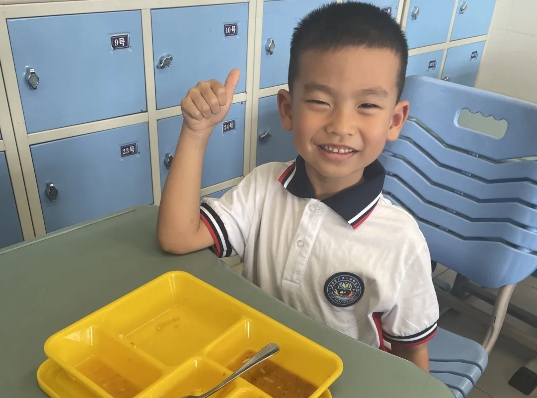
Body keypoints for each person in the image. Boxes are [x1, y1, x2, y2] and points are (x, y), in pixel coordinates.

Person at [157, 1, 439, 372]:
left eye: (368, 105)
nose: (341, 125)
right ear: (288, 110)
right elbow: (177, 237)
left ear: (395, 120)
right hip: (254, 366)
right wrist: (195, 133)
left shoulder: (401, 241)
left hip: (346, 389)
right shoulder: (263, 187)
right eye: (320, 101)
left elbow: (412, 358)